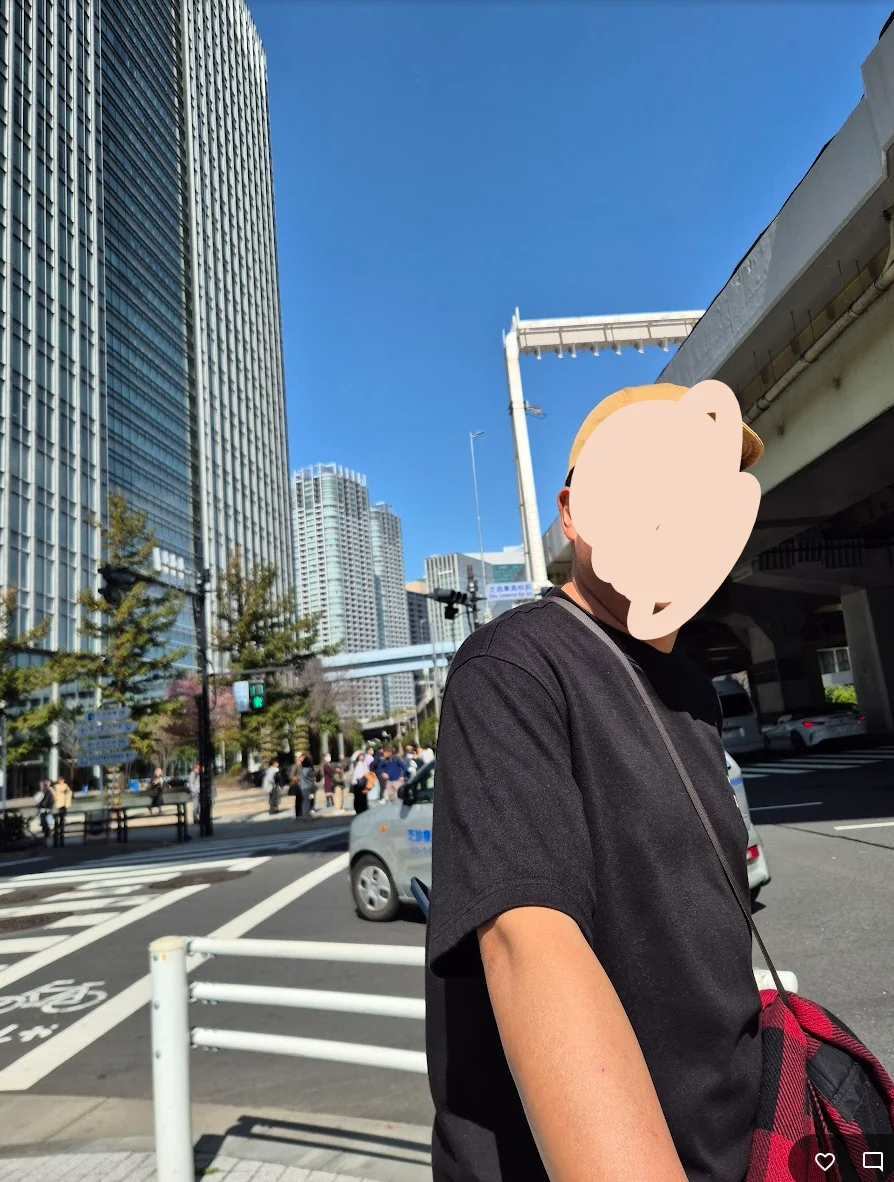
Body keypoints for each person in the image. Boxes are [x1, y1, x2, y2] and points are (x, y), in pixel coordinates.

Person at [425, 384, 765, 1182]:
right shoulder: (512, 667)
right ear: (574, 512)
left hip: (737, 1146)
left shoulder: (693, 688)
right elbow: (529, 941)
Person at [53, 774, 73, 841]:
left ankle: (62, 820)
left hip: (64, 801)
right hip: (59, 802)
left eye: (62, 780)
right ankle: (61, 821)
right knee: (60, 811)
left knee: (64, 811)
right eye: (60, 780)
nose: (62, 781)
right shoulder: (56, 786)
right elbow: (56, 792)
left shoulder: (65, 785)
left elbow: (68, 791)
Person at [298, 755, 317, 819]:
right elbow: (312, 775)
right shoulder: (308, 769)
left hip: (303, 787)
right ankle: (306, 816)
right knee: (307, 802)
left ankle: (306, 815)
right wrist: (316, 772)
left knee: (306, 801)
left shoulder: (303, 769)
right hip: (308, 787)